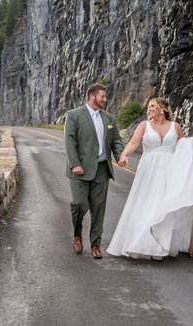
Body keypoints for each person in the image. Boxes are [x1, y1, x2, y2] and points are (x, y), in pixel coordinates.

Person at [107, 97, 193, 260]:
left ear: (162, 109)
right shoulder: (144, 125)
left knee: (164, 205)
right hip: (148, 171)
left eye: (152, 106)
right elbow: (133, 143)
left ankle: (162, 245)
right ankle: (142, 243)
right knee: (146, 204)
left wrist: (190, 144)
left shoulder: (176, 127)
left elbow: (183, 150)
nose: (149, 109)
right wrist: (124, 155)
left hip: (170, 171)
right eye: (149, 107)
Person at [64, 83, 125, 259]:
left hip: (102, 169)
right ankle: (77, 235)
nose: (105, 99)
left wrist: (120, 155)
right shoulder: (74, 115)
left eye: (105, 97)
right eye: (102, 97)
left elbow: (116, 141)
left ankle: (95, 244)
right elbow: (70, 141)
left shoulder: (109, 118)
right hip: (79, 170)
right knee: (79, 204)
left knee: (99, 208)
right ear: (92, 96)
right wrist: (75, 163)